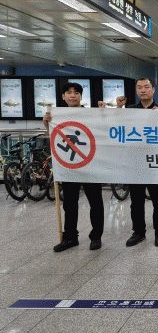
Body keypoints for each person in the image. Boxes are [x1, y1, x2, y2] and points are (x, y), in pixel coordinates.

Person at [44, 82, 104, 252]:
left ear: (81, 96)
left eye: (76, 93)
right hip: (69, 166)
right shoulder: (57, 115)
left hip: (90, 164)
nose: (72, 95)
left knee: (95, 202)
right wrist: (47, 124)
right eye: (69, 92)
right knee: (69, 203)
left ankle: (96, 236)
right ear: (63, 96)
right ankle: (70, 237)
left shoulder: (91, 114)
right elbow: (54, 137)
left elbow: (102, 131)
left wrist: (103, 114)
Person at [115, 78, 158, 247]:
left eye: (146, 87)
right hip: (135, 161)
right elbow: (117, 127)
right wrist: (118, 109)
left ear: (153, 90)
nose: (143, 90)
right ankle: (138, 232)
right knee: (136, 201)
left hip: (156, 161)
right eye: (139, 88)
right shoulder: (130, 110)